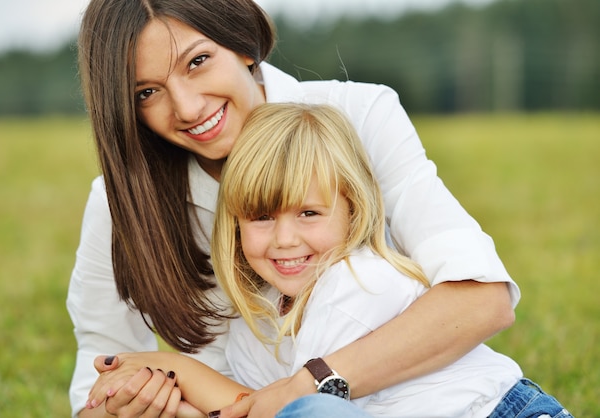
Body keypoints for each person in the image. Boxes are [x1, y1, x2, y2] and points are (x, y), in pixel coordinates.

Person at [68, 0, 520, 417]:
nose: (186, 108)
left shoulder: (357, 116)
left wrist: (306, 386)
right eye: (146, 92)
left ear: (242, 44)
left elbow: (482, 301)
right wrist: (122, 405)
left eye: (198, 61)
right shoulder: (120, 203)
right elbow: (99, 375)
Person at [85, 103, 571, 418]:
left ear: (353, 211)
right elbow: (249, 404)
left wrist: (176, 372)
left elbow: (278, 410)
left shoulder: (356, 284)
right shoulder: (258, 322)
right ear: (233, 224)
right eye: (260, 217)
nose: (285, 239)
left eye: (309, 213)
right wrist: (161, 392)